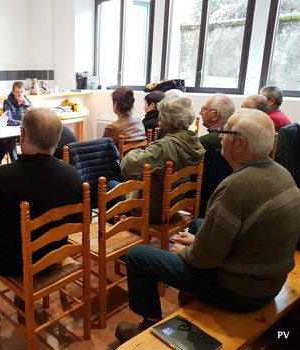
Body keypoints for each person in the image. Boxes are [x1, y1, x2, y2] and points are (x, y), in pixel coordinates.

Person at [115, 108, 300, 343]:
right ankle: (192, 291)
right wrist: (198, 241)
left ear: (241, 143)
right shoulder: (282, 173)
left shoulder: (236, 186)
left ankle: (147, 323)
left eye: (225, 132)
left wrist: (188, 253)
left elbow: (205, 259)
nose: (220, 137)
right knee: (198, 225)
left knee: (138, 255)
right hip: (270, 280)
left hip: (241, 292)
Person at [0, 108, 83, 326]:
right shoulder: (71, 173)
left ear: (22, 134)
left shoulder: (1, 177)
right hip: (55, 255)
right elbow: (80, 219)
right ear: (57, 137)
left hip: (13, 263)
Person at [121, 96, 205, 224]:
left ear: (166, 120)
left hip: (152, 209)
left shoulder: (165, 147)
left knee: (112, 186)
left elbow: (127, 167)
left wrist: (135, 151)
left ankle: (124, 236)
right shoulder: (194, 143)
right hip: (173, 205)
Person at [198, 94, 235, 165]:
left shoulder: (206, 141)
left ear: (215, 115)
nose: (200, 112)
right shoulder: (233, 137)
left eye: (204, 109)